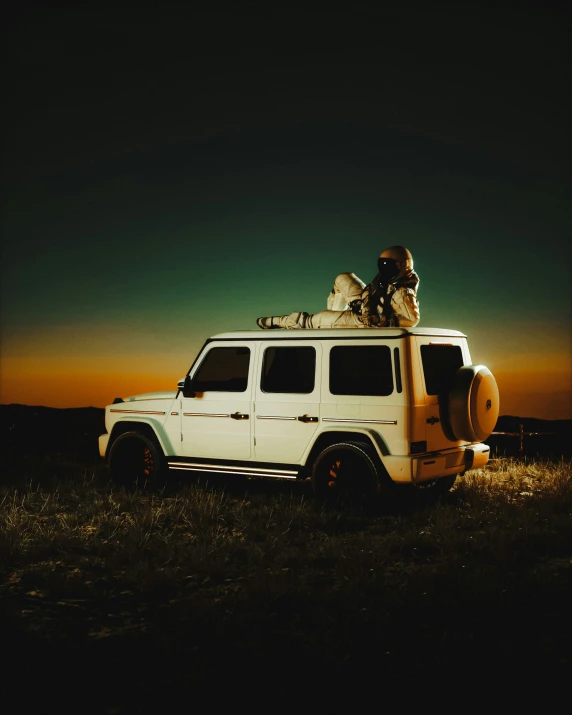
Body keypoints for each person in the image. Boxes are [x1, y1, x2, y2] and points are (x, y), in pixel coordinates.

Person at [256, 245, 420, 329]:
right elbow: (375, 292)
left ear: (401, 265)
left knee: (311, 321)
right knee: (343, 278)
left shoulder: (403, 292)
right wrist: (364, 302)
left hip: (362, 320)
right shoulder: (391, 280)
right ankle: (333, 318)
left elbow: (411, 320)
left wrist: (380, 320)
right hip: (365, 303)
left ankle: (283, 321)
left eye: (388, 265)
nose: (384, 269)